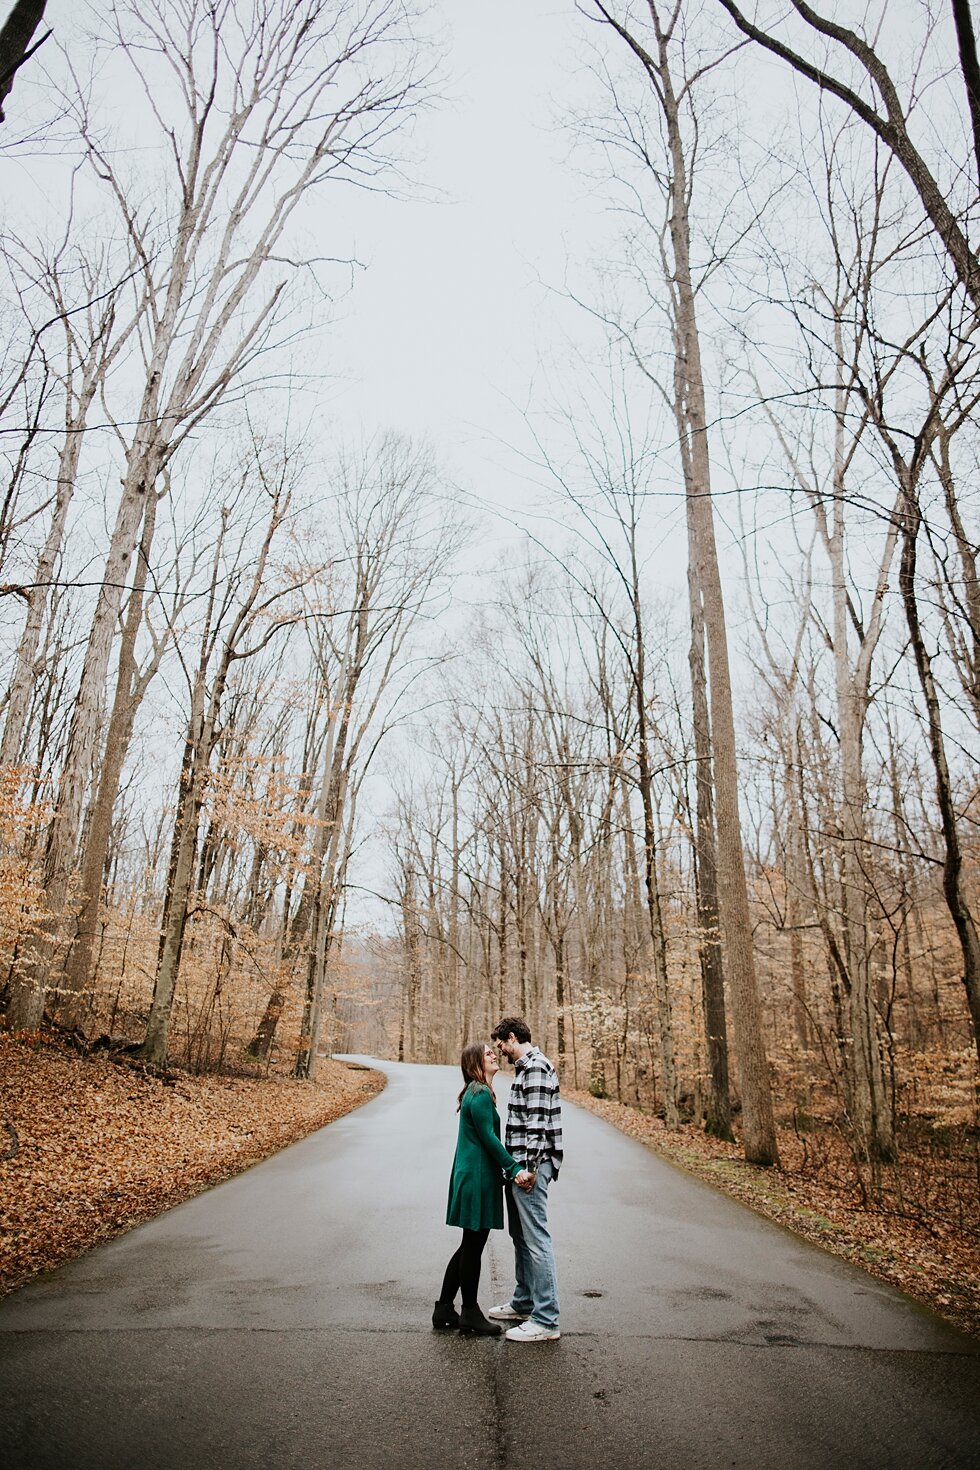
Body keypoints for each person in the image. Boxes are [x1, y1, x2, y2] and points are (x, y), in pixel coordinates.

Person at [434, 1041, 534, 1336]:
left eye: (493, 1051)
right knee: (473, 1246)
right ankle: (470, 1312)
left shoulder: (479, 1093)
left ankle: (443, 1308)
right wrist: (514, 1169)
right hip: (476, 1177)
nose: (494, 1055)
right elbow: (489, 1140)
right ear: (475, 1063)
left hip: (476, 1175)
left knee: (469, 1245)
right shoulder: (478, 1094)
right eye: (488, 1053)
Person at [487, 1016, 563, 1343]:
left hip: (529, 1168)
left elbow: (537, 1124)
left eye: (502, 1043)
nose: (500, 1050)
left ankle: (546, 1320)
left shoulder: (535, 1069)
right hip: (518, 1168)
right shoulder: (525, 1069)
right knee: (520, 1238)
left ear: (513, 1037)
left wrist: (529, 1168)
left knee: (536, 1240)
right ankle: (524, 1302)